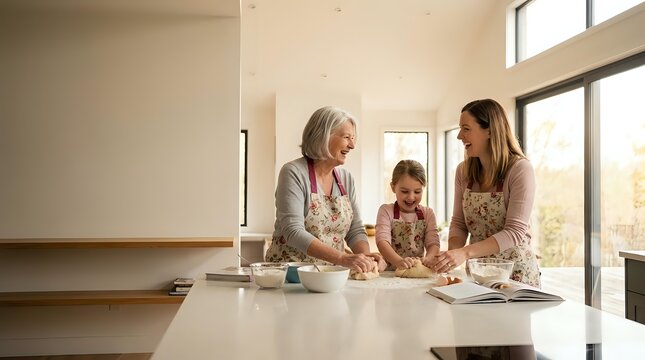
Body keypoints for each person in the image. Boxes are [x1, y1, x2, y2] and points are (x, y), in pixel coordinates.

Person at [431, 99, 541, 287]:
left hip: (515, 276)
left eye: (466, 129)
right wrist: (450, 257)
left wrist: (464, 253)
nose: (459, 136)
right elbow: (459, 224)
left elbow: (514, 232)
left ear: (489, 131)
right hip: (478, 275)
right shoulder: (463, 172)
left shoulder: (520, 169)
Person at [265, 106, 386, 273]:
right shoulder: (293, 172)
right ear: (323, 136)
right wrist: (342, 258)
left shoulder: (346, 179)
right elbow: (292, 231)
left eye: (353, 138)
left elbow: (355, 229)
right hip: (291, 276)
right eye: (346, 137)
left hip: (330, 277)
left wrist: (365, 259)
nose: (352, 145)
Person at [375, 160, 440, 270]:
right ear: (393, 187)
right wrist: (398, 261)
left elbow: (433, 243)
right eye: (405, 191)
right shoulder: (386, 211)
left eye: (417, 192)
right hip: (391, 272)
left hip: (417, 269)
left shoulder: (428, 214)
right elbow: (382, 241)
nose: (411, 197)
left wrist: (429, 258)